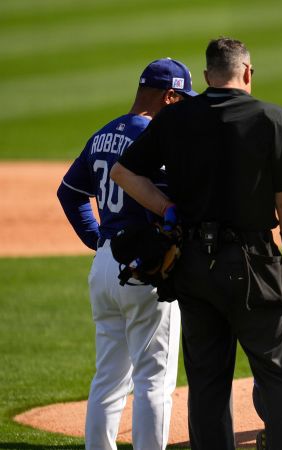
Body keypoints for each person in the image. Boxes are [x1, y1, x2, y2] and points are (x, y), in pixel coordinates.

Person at [109, 37, 282, 450]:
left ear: (206, 76)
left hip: (193, 265)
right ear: (248, 72)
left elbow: (124, 174)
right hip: (254, 264)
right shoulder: (273, 119)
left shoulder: (176, 117)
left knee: (206, 380)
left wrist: (168, 209)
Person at [56, 57, 194, 450]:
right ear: (169, 96)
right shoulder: (158, 139)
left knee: (108, 376)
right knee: (154, 378)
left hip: (105, 265)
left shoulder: (103, 134)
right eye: (182, 99)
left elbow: (69, 193)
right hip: (145, 269)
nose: (184, 106)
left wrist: (98, 239)